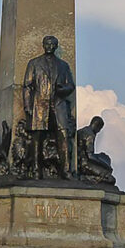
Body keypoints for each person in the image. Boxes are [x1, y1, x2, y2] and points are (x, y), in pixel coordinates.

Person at [21, 35, 76, 179]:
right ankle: (36, 170)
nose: (49, 46)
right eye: (47, 44)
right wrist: (28, 106)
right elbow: (27, 86)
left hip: (58, 105)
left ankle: (66, 170)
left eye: (52, 44)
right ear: (43, 45)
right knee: (37, 138)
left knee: (63, 136)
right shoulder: (34, 63)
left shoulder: (63, 65)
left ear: (56, 46)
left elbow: (71, 85)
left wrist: (62, 90)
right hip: (40, 105)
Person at [76, 115, 115, 185]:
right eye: (99, 129)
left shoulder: (81, 131)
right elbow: (90, 156)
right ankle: (86, 178)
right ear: (98, 127)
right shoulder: (90, 135)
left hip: (79, 162)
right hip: (85, 164)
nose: (99, 131)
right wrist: (106, 165)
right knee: (111, 179)